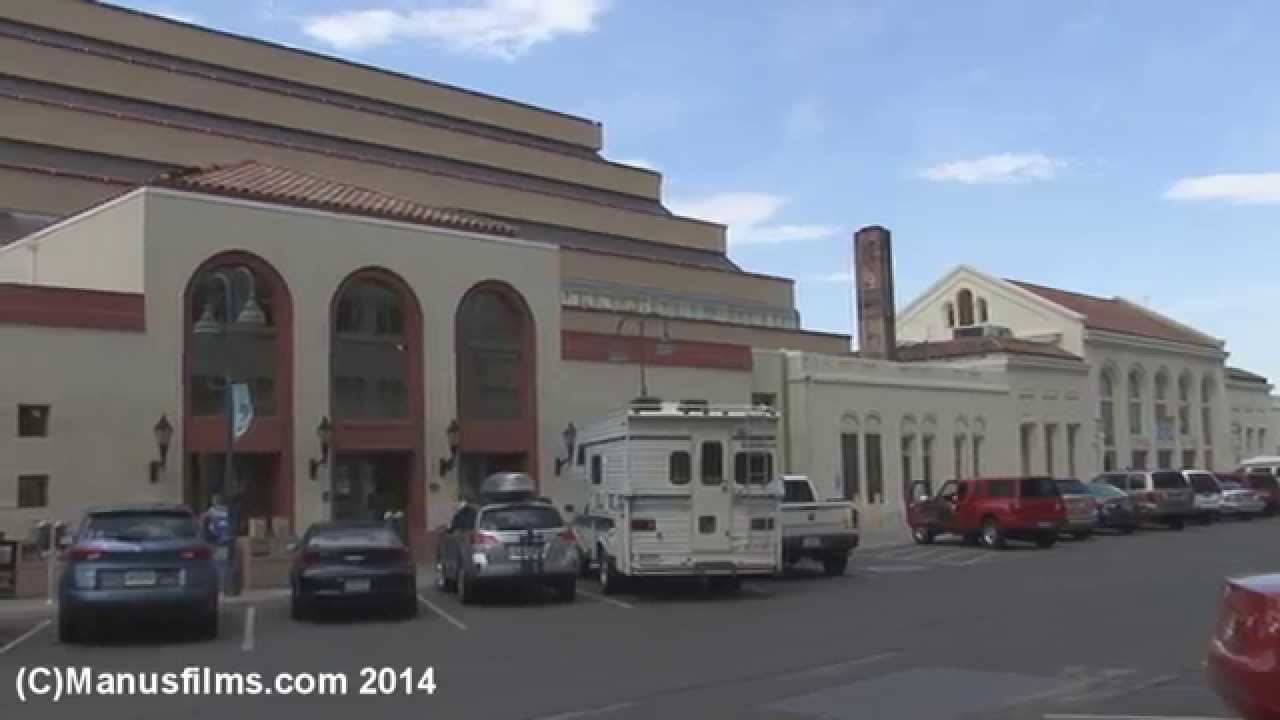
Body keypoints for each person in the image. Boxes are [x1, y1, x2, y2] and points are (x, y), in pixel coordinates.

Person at [202, 495, 233, 593]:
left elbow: (205, 527)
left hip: (214, 542)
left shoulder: (210, 512)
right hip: (225, 541)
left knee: (215, 565)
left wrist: (207, 539)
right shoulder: (227, 511)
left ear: (214, 502)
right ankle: (225, 588)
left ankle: (218, 588)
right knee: (224, 566)